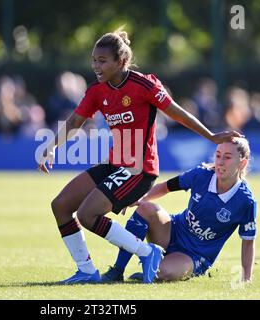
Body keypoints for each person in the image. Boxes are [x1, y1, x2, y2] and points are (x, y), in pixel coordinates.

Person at [37, 29, 243, 284]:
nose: (96, 66)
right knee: (60, 205)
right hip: (115, 164)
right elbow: (76, 121)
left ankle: (147, 253)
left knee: (87, 215)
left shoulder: (144, 85)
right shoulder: (96, 91)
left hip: (139, 169)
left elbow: (177, 113)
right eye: (94, 60)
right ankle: (86, 271)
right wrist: (53, 144)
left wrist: (211, 136)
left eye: (102, 61)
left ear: (120, 62)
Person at [101, 138, 256, 283]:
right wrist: (141, 198)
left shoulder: (245, 201)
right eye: (218, 155)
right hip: (173, 230)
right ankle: (118, 270)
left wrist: (246, 278)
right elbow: (165, 187)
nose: (220, 162)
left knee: (163, 272)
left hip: (195, 255)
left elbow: (248, 242)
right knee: (146, 208)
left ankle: (151, 263)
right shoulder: (201, 174)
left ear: (242, 163)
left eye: (227, 157)